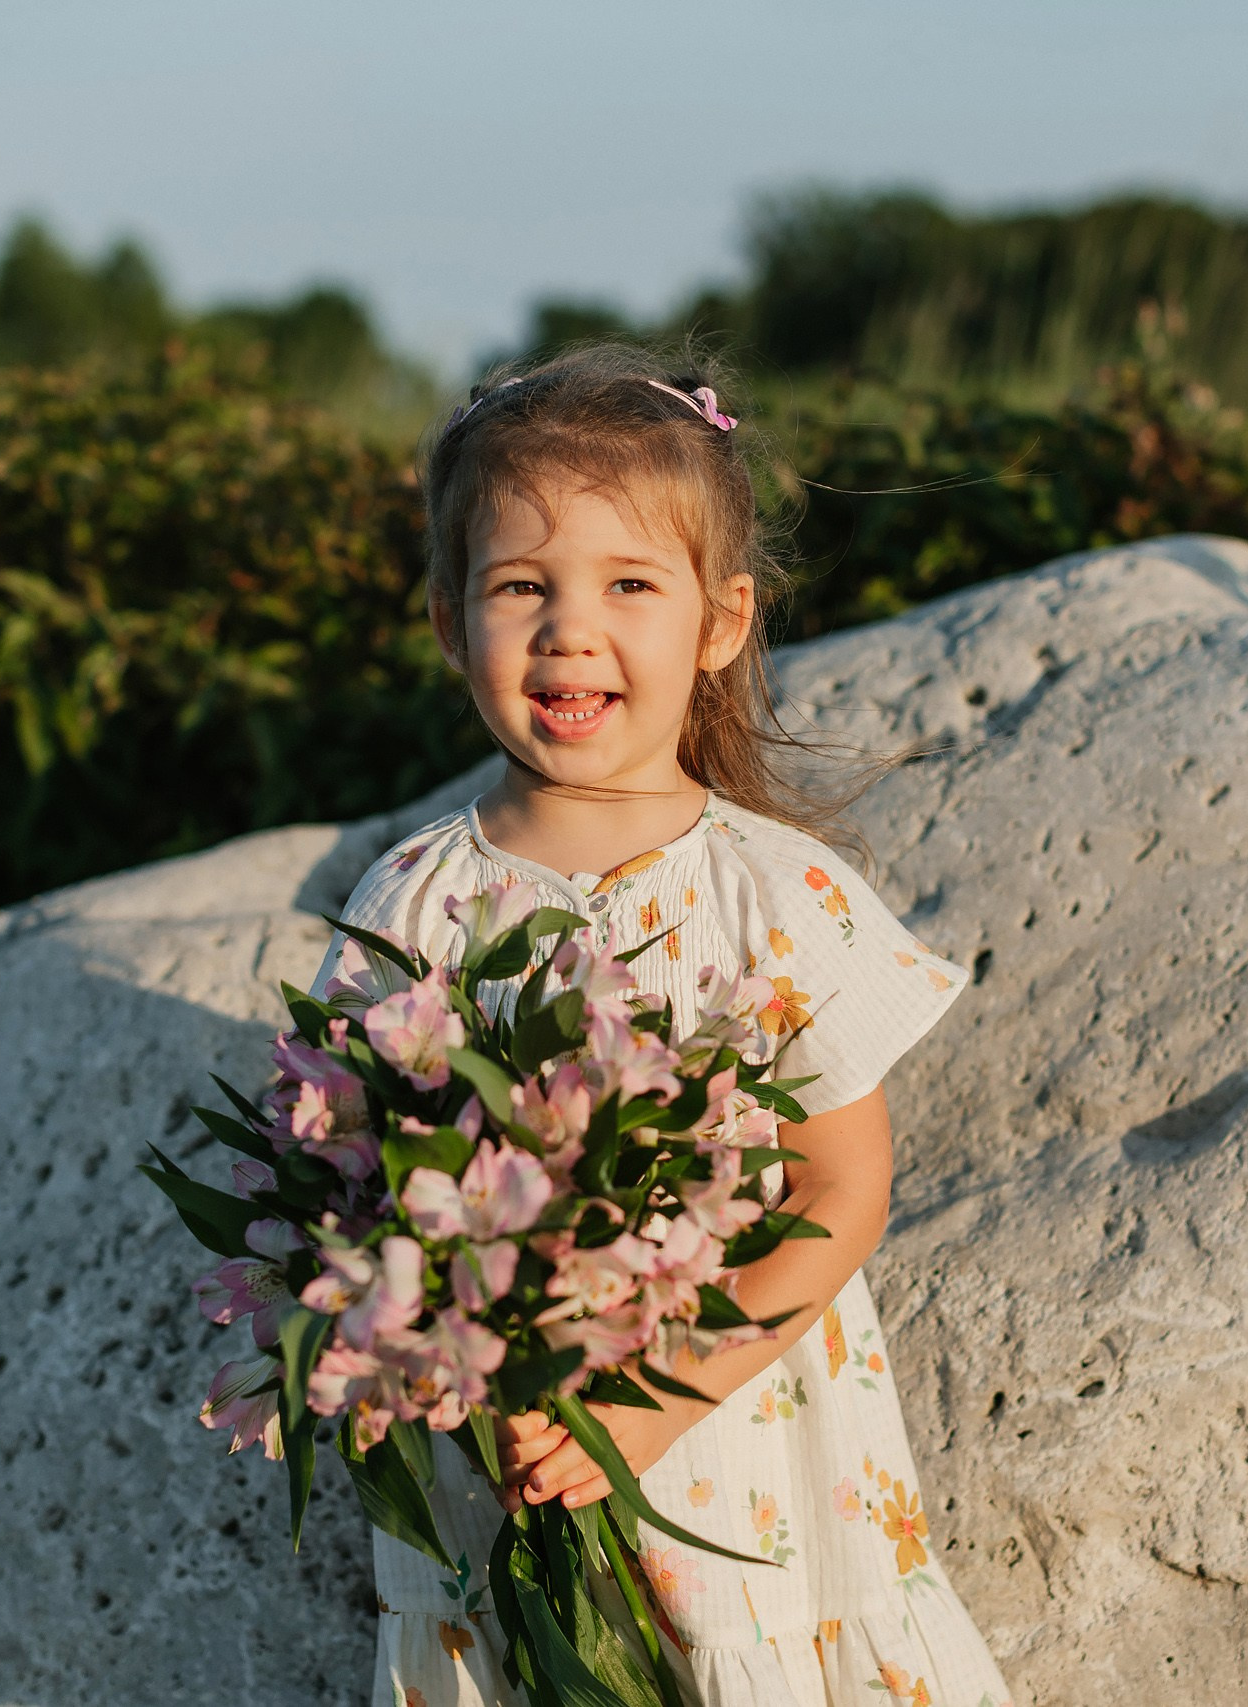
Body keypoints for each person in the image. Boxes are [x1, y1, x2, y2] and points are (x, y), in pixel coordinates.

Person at [324, 344, 1012, 1707]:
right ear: (452, 624)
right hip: (504, 1461)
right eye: (522, 587)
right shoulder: (415, 902)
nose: (571, 631)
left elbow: (841, 1185)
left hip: (741, 1450)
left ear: (720, 620)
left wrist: (657, 1395)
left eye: (629, 584)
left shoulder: (773, 892)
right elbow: (368, 1189)